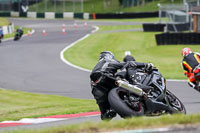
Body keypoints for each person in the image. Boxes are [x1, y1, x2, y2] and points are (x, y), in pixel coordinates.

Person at [90, 51, 154, 120]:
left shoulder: (96, 68)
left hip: (97, 88)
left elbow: (94, 90)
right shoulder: (108, 61)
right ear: (109, 56)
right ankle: (133, 84)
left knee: (104, 115)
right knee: (127, 67)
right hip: (108, 78)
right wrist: (144, 64)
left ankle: (110, 111)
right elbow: (129, 63)